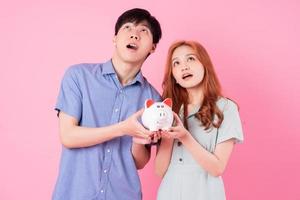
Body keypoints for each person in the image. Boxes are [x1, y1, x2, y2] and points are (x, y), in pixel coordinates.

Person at [52, 8, 162, 200]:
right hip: (73, 194)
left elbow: (139, 162)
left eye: (143, 31)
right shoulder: (78, 76)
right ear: (115, 39)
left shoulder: (153, 99)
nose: (134, 34)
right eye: (127, 27)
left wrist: (138, 139)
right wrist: (123, 129)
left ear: (152, 47)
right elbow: (68, 136)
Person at [155, 40, 244, 200]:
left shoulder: (226, 108)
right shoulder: (168, 111)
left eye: (191, 59)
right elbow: (159, 171)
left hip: (206, 193)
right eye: (176, 63)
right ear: (173, 76)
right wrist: (168, 139)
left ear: (205, 65)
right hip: (170, 192)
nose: (184, 66)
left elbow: (217, 168)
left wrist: (184, 136)